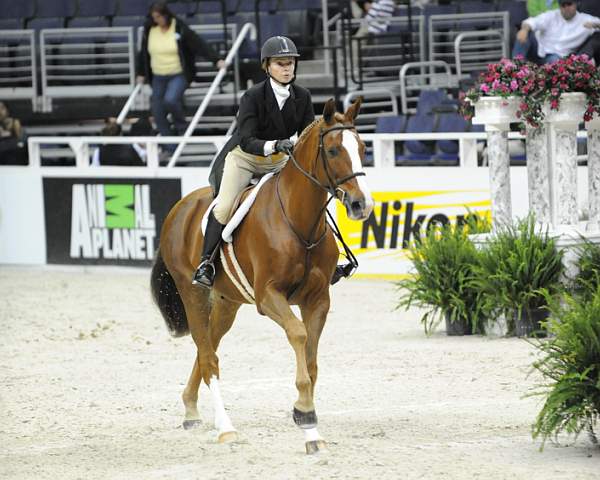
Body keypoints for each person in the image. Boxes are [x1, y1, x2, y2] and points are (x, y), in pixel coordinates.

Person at [192, 36, 315, 287]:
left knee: (310, 197)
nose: (287, 68)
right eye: (280, 63)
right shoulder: (253, 96)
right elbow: (246, 139)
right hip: (246, 158)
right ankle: (206, 263)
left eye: (290, 63)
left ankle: (328, 258)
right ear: (267, 66)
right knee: (225, 206)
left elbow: (308, 133)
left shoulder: (303, 96)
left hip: (280, 160)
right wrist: (274, 145)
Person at [136, 2, 225, 152]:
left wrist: (216, 59)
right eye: (153, 17)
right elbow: (143, 53)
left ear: (165, 15)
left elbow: (198, 43)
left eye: (158, 17)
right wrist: (141, 72)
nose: (156, 20)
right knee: (157, 110)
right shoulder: (149, 29)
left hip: (178, 73)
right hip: (158, 76)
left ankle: (181, 127)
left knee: (170, 100)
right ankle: (171, 147)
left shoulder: (179, 27)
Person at [513, 0, 600, 64]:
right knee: (524, 34)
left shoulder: (586, 19)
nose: (566, 7)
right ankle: (515, 68)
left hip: (557, 57)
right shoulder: (552, 15)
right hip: (538, 49)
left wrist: (597, 25)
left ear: (576, 4)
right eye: (563, 5)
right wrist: (524, 29)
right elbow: (533, 21)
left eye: (569, 4)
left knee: (555, 61)